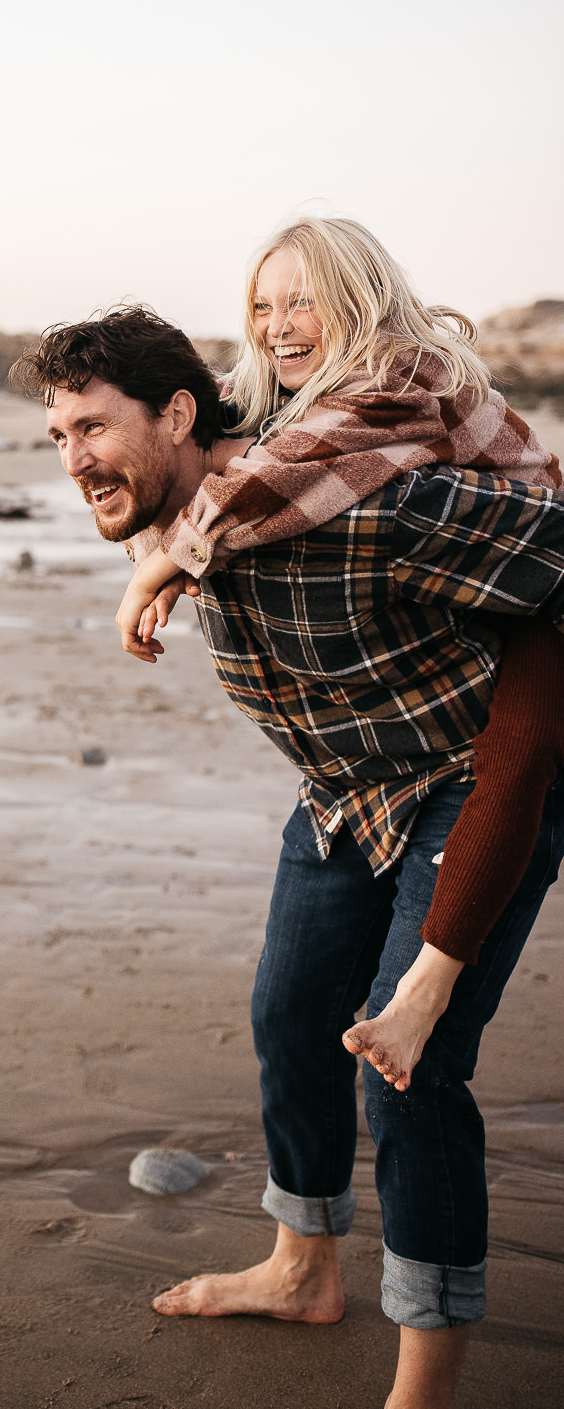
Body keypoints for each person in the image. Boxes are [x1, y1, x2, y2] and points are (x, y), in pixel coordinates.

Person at [14, 252, 564, 1409]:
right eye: (55, 436)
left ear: (175, 415)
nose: (73, 462)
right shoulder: (193, 516)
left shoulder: (361, 502)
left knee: (411, 1073)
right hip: (341, 791)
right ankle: (303, 1266)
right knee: (289, 1013)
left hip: (475, 779)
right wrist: (167, 549)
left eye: (91, 429)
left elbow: (555, 556)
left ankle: (422, 1383)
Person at [112, 220, 564, 1095]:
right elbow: (202, 432)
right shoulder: (302, 395)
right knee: (294, 1016)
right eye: (261, 305)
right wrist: (149, 544)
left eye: (302, 301)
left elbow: (282, 478)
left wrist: (163, 568)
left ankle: (423, 994)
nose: (277, 324)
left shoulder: (392, 378)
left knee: (513, 771)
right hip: (487, 611)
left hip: (544, 600)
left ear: (358, 301)